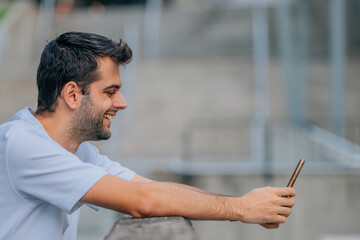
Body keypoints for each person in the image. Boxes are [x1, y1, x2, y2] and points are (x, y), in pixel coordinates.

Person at [0, 32, 296, 240]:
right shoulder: (23, 145)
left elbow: (153, 188)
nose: (122, 103)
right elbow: (142, 201)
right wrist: (243, 209)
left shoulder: (75, 151)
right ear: (73, 94)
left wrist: (244, 203)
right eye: (110, 92)